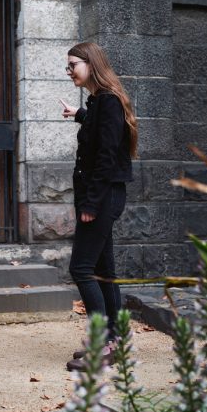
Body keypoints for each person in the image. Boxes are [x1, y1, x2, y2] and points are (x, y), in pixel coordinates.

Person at [59, 42, 138, 372]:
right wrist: (80, 115)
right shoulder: (101, 102)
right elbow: (102, 133)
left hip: (102, 197)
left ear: (91, 63)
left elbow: (106, 156)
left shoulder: (107, 102)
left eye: (73, 64)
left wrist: (90, 203)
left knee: (82, 268)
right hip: (102, 196)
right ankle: (117, 341)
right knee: (104, 270)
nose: (69, 71)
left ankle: (103, 344)